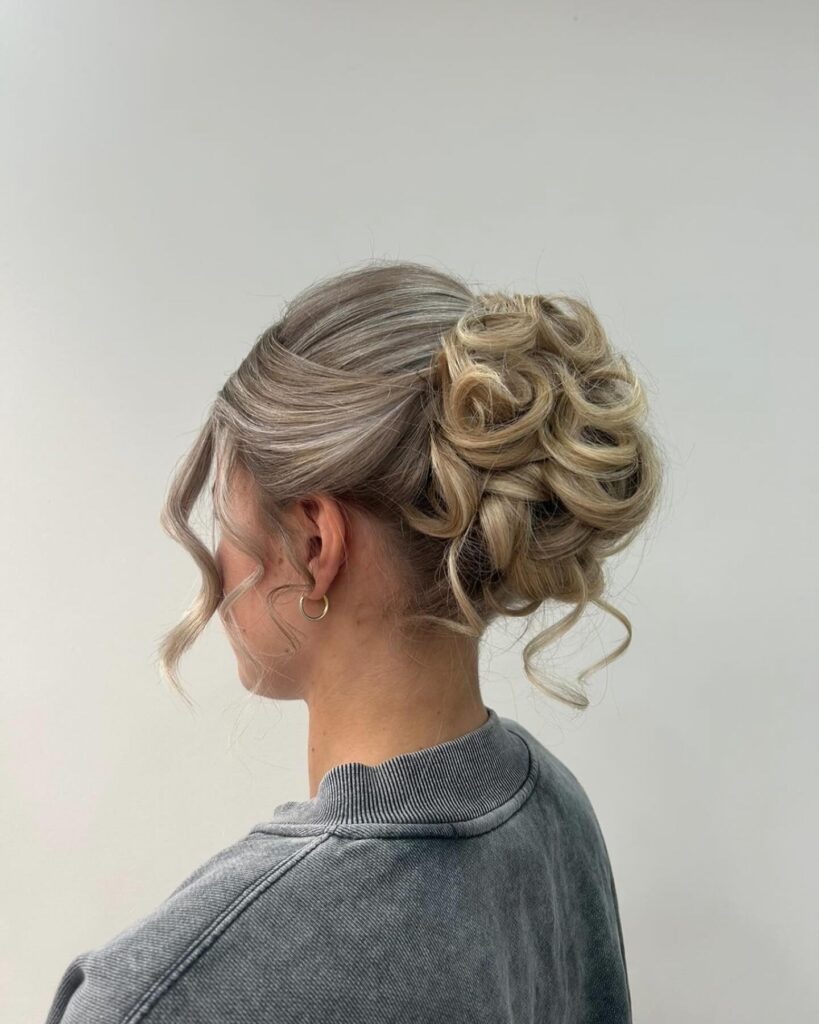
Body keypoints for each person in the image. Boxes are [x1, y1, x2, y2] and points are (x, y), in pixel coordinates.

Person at [44, 259, 663, 1023]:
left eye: (226, 516)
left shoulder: (159, 999)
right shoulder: (552, 814)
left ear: (314, 545)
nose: (217, 557)